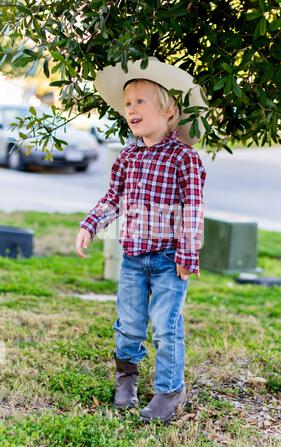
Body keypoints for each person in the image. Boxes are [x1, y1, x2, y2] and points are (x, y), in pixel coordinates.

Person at [76, 57, 207, 423]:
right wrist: (90, 224)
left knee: (166, 326)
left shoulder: (185, 159)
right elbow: (113, 199)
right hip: (133, 259)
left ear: (168, 111)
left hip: (169, 259)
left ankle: (168, 390)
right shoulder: (127, 158)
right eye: (127, 103)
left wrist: (187, 253)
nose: (130, 109)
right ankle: (126, 379)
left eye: (140, 101)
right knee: (129, 324)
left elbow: (193, 208)